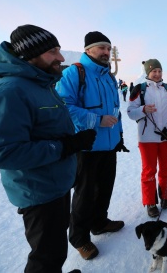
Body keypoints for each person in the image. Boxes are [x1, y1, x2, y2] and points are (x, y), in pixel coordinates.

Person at [0, 24, 96, 273]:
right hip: (38, 191)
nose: (61, 58)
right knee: (45, 258)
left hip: (55, 184)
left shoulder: (42, 84)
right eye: (53, 51)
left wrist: (71, 141)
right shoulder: (12, 91)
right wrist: (64, 146)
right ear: (31, 54)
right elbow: (4, 152)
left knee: (54, 252)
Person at [55, 31, 129, 261]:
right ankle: (79, 238)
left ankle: (99, 222)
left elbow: (115, 109)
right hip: (86, 147)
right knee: (84, 194)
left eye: (108, 48)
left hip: (109, 144)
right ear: (88, 50)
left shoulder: (109, 76)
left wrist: (119, 137)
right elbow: (64, 106)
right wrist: (97, 120)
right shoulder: (74, 73)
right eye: (101, 48)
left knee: (105, 187)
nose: (106, 52)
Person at [127, 59, 167, 217]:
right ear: (147, 72)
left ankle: (165, 195)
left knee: (166, 169)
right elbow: (130, 112)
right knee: (149, 170)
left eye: (159, 71)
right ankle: (150, 201)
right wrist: (143, 109)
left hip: (166, 136)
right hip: (146, 138)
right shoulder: (140, 89)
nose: (157, 74)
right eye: (154, 71)